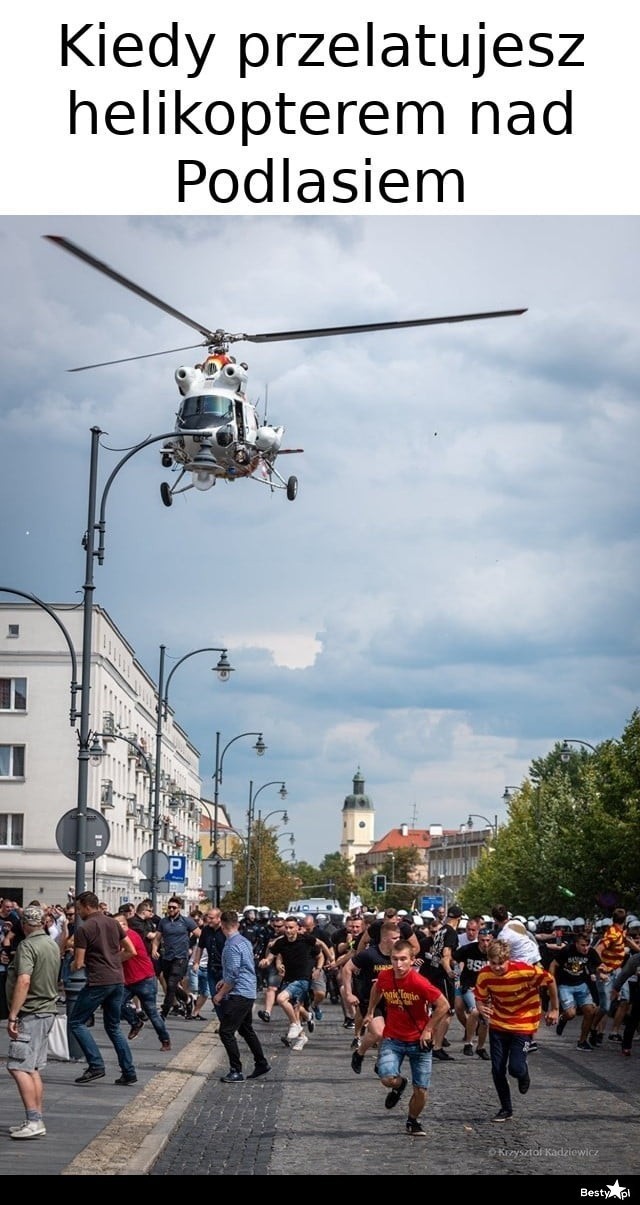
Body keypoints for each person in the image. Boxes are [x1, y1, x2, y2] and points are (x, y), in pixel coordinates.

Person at [363, 938, 449, 1137]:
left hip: (419, 1041)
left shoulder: (419, 982)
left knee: (421, 1089)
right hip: (393, 1039)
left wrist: (428, 1029)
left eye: (403, 959)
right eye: (394, 959)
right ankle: (400, 1084)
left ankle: (413, 1120)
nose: (398, 964)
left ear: (412, 960)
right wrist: (371, 1009)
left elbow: (443, 1005)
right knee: (386, 1077)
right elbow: (377, 988)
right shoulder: (385, 976)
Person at [475, 938, 559, 1123]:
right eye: (493, 963)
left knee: (515, 1068)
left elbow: (550, 981)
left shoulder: (524, 970)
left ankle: (523, 1072)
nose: (497, 968)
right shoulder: (484, 975)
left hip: (523, 1023)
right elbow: (480, 997)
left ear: (508, 959)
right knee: (497, 1069)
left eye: (500, 963)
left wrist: (554, 1008)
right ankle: (506, 1108)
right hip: (499, 1024)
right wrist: (480, 1007)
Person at [68, 890, 138, 1086]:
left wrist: (70, 964)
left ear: (86, 906)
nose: (78, 911)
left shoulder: (84, 929)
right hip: (117, 979)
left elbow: (79, 963)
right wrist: (113, 960)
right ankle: (128, 1071)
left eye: (79, 908)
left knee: (76, 1022)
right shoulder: (113, 923)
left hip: (98, 981)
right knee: (114, 1027)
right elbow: (131, 951)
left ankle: (96, 1065)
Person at [5, 904, 60, 1139]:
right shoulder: (50, 944)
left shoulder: (28, 945)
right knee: (33, 1068)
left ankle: (34, 1120)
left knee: (17, 1066)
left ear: (25, 925)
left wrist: (13, 1015)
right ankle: (36, 1118)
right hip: (47, 1010)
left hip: (31, 1011)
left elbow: (24, 980)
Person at [212, 909, 270, 1082]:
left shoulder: (231, 946)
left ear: (222, 925)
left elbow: (233, 974)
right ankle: (261, 1062)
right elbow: (242, 967)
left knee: (226, 1032)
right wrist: (224, 980)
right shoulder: (244, 941)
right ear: (237, 924)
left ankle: (236, 1070)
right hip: (249, 990)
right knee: (246, 1029)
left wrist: (220, 994)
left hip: (240, 993)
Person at [114, 911, 172, 1051]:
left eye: (114, 925)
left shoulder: (130, 936)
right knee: (118, 1004)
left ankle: (165, 1040)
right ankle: (135, 1023)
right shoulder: (117, 937)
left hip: (144, 979)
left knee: (151, 1011)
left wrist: (111, 959)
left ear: (123, 925)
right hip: (128, 980)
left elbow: (128, 953)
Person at [420, 903, 463, 1060]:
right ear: (458, 919)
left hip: (431, 973)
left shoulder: (442, 929)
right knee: (446, 1011)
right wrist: (450, 971)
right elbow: (446, 954)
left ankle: (432, 1041)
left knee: (438, 1009)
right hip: (441, 975)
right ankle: (436, 1046)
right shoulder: (451, 932)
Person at [152, 896, 200, 1018]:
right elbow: (157, 938)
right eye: (169, 907)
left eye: (174, 907)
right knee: (170, 985)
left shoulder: (186, 921)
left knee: (173, 983)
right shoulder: (164, 922)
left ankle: (165, 1011)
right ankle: (188, 1000)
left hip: (181, 957)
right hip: (167, 957)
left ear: (179, 908)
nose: (171, 909)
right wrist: (154, 949)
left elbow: (200, 935)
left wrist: (191, 948)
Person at [550, 932, 600, 1049]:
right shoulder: (567, 950)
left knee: (590, 1011)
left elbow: (598, 965)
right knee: (571, 1014)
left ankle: (582, 1041)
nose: (585, 948)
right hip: (565, 985)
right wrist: (550, 981)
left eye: (587, 945)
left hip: (582, 985)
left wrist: (601, 972)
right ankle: (563, 1019)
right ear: (576, 944)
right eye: (583, 945)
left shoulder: (591, 952)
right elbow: (553, 964)